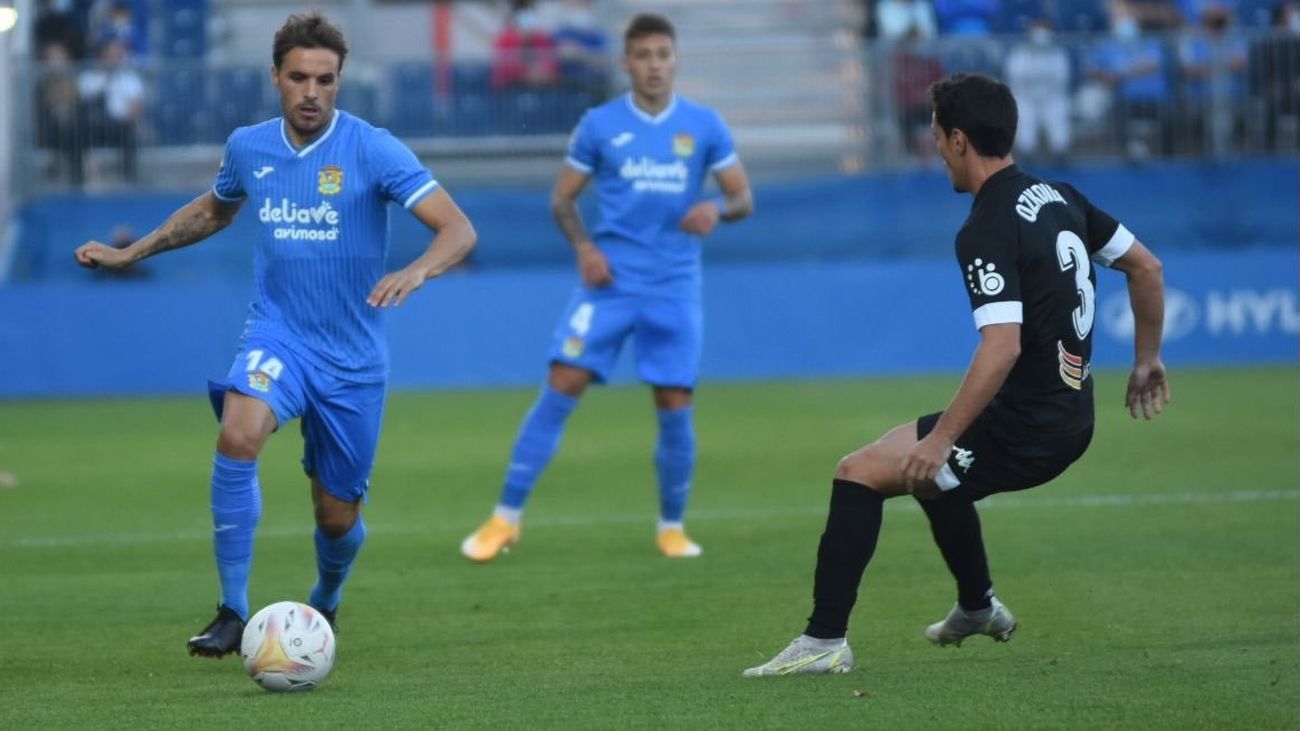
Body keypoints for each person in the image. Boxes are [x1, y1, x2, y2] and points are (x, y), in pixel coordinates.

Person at [73, 11, 477, 658]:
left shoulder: (372, 148)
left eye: (325, 79)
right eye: (298, 77)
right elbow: (214, 210)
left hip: (351, 359)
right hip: (278, 335)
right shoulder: (249, 147)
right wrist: (132, 253)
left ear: (339, 80)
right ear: (275, 77)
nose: (311, 91)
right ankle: (232, 610)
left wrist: (417, 270)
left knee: (335, 517)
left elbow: (457, 228)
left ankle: (327, 597)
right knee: (238, 433)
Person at [743, 73, 1170, 677]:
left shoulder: (987, 224)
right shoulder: (1060, 196)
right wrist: (1147, 359)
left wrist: (942, 436)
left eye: (938, 135)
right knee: (931, 477)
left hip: (1029, 428)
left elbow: (1002, 346)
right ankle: (976, 606)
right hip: (1071, 413)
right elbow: (1147, 267)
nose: (937, 148)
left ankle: (823, 641)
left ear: (960, 139)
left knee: (859, 472)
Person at [460, 13, 754, 562]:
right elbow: (562, 200)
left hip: (673, 286)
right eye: (643, 56)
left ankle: (671, 527)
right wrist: (584, 248)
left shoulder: (703, 124)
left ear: (675, 59)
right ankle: (504, 518)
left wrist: (716, 208)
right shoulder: (600, 124)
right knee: (561, 383)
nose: (654, 66)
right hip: (610, 284)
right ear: (626, 63)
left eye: (663, 54)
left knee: (674, 400)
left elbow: (742, 198)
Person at [1004, 19, 1072, 164]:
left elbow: (1062, 78)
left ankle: (1059, 159)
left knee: (1059, 136)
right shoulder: (1020, 52)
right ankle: (1027, 160)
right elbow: (1015, 77)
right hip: (1026, 98)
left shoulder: (1057, 52)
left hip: (1052, 98)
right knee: (1026, 139)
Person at [77, 40, 144, 182]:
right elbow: (82, 103)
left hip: (119, 125)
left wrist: (130, 117)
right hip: (93, 126)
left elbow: (136, 109)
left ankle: (129, 177)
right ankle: (81, 177)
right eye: (110, 55)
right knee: (78, 133)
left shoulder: (129, 78)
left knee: (128, 135)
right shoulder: (88, 78)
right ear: (101, 56)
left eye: (117, 55)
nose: (114, 59)